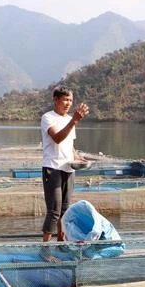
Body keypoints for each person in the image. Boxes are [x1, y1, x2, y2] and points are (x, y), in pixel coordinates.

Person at [40, 85, 89, 242]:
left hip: (68, 169)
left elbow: (69, 145)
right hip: (52, 167)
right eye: (65, 99)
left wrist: (78, 157)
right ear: (56, 100)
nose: (68, 103)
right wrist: (74, 120)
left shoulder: (69, 120)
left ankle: (61, 242)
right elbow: (57, 138)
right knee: (54, 210)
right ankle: (45, 247)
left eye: (70, 100)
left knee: (65, 210)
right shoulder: (48, 118)